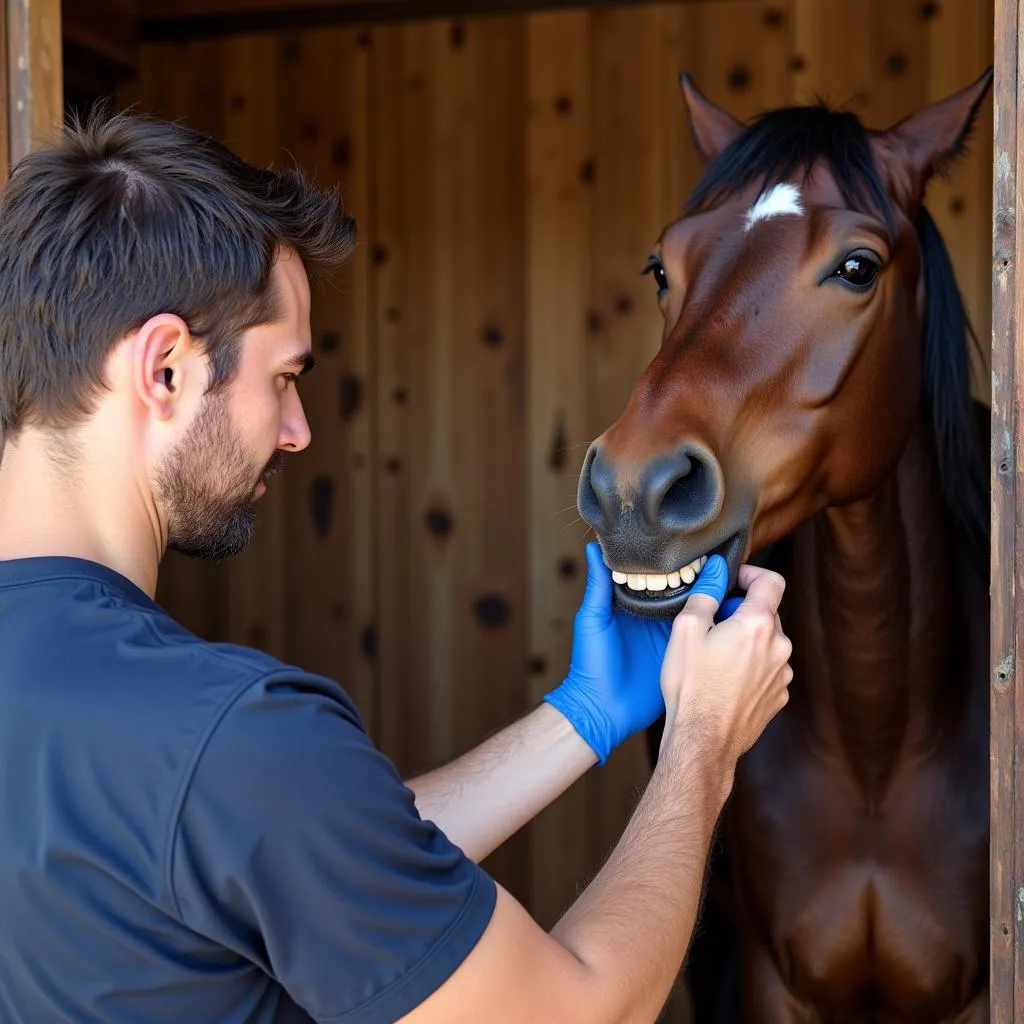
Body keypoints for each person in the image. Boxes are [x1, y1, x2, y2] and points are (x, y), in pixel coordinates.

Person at [0, 107, 793, 1024]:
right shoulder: (228, 737)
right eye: (286, 378)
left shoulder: (194, 759)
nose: (298, 432)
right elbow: (582, 1012)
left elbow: (315, 854)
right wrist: (703, 745)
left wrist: (580, 716)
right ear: (166, 368)